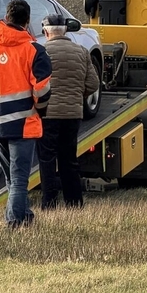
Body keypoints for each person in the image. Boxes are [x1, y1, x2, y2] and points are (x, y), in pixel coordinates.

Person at [0, 0, 52, 228]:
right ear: (27, 22)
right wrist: (40, 108)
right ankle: (14, 223)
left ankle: (24, 217)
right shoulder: (34, 51)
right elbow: (42, 89)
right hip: (23, 124)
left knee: (11, 179)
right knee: (18, 180)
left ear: (6, 18)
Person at [37, 14, 100, 209]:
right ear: (66, 31)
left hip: (48, 115)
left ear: (46, 31)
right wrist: (76, 95)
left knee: (47, 161)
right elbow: (93, 83)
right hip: (72, 115)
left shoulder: (41, 52)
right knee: (69, 160)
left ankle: (49, 204)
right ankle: (74, 204)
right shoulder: (81, 51)